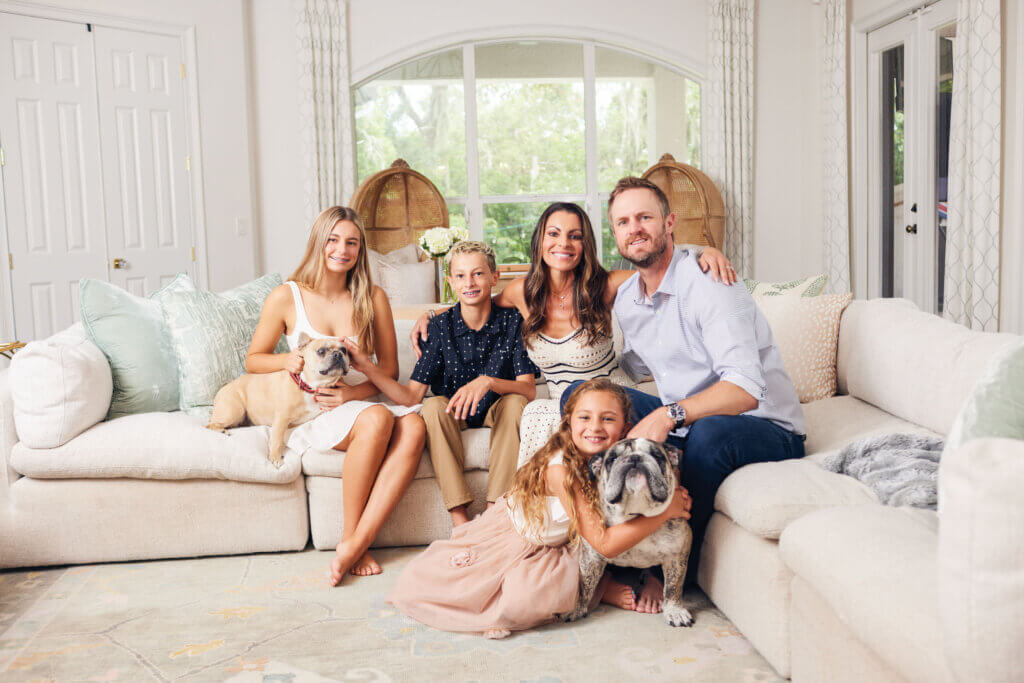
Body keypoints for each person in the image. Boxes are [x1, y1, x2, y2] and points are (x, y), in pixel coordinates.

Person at [409, 202, 736, 611]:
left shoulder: (605, 285)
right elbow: (475, 298)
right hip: (566, 411)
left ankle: (649, 570)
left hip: (612, 402)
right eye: (554, 234)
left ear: (586, 244)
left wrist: (702, 252)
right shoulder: (522, 291)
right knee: (548, 436)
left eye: (575, 235)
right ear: (540, 241)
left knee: (634, 469)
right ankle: (588, 573)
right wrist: (432, 316)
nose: (564, 243)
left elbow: (658, 264)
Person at [561, 176, 807, 593]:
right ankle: (604, 542)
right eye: (623, 222)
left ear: (669, 222)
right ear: (615, 234)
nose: (634, 228)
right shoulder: (628, 300)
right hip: (688, 423)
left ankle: (671, 570)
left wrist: (668, 414)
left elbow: (745, 389)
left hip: (765, 427)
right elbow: (635, 365)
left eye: (645, 217)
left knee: (708, 434)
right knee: (580, 398)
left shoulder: (711, 285)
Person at [386, 378, 691, 639]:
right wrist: (666, 512)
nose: (595, 427)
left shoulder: (618, 457)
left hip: (566, 542)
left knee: (545, 584)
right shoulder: (562, 470)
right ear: (568, 422)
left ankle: (607, 581)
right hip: (519, 538)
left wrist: (672, 495)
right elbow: (604, 544)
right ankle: (605, 587)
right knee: (505, 598)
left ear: (626, 427)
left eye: (607, 419)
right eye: (585, 418)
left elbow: (656, 479)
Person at [245, 206, 426, 586]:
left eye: (352, 243)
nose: (341, 250)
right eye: (333, 240)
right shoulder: (286, 296)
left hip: (358, 402)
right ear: (318, 242)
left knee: (414, 425)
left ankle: (357, 541)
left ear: (360, 251)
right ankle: (352, 539)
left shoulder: (372, 296)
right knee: (377, 418)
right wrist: (288, 359)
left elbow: (389, 371)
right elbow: (253, 360)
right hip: (315, 411)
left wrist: (354, 394)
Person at [343, 241, 539, 528]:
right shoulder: (438, 327)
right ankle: (460, 521)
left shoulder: (512, 322)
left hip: (498, 406)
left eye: (478, 274)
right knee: (432, 406)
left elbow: (528, 389)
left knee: (515, 403)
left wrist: (488, 382)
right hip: (452, 413)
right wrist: (366, 366)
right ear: (450, 282)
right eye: (460, 276)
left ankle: (497, 514)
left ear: (494, 278)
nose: (469, 283)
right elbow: (411, 397)